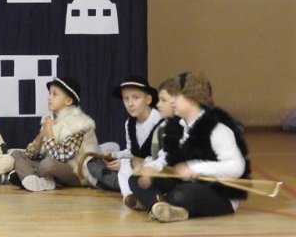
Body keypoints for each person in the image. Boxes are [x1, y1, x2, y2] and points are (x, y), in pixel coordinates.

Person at [130, 72, 250, 222]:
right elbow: (165, 157)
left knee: (184, 193)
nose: (172, 101)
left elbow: (237, 167)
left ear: (193, 99)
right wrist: (151, 168)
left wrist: (195, 168)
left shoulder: (217, 129)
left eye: (176, 97)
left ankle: (157, 203)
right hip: (186, 184)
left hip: (218, 194)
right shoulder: (179, 126)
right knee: (136, 178)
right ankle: (160, 206)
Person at [9, 76, 100, 191]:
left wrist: (49, 133)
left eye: (54, 94)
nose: (49, 97)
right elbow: (31, 155)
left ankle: (30, 176)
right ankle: (34, 180)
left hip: (77, 173)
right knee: (16, 154)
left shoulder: (79, 123)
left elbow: (61, 157)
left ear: (68, 101)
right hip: (52, 168)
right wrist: (40, 138)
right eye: (49, 93)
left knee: (47, 164)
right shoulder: (50, 120)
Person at [86, 76, 163, 201]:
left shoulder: (159, 121)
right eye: (126, 99)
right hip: (136, 167)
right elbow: (131, 152)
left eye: (135, 98)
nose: (130, 104)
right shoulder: (129, 123)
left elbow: (161, 157)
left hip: (155, 168)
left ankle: (131, 192)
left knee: (125, 165)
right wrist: (113, 155)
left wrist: (126, 163)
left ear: (148, 99)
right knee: (94, 163)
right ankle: (128, 192)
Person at [124, 76, 185, 210]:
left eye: (163, 100)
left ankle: (153, 202)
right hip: (169, 175)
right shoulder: (164, 126)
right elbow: (162, 155)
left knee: (180, 195)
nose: (158, 105)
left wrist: (150, 168)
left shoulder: (181, 125)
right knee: (135, 179)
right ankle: (157, 203)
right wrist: (147, 168)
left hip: (184, 179)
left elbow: (168, 158)